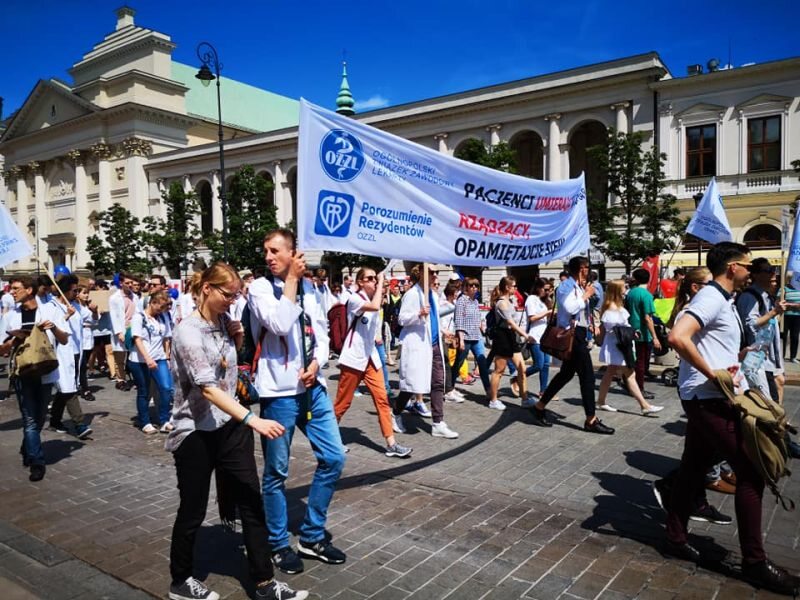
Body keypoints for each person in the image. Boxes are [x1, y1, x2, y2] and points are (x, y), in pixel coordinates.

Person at [166, 262, 307, 600]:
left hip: (229, 427)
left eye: (236, 295)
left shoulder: (223, 325)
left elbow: (229, 370)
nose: (233, 301)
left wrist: (238, 339)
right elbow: (209, 388)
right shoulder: (188, 331)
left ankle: (264, 583)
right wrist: (252, 419)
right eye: (227, 295)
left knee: (250, 501)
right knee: (193, 510)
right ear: (206, 289)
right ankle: (181, 581)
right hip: (195, 431)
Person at [664, 242, 799, 596]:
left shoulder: (721, 299)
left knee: (694, 467)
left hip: (710, 397)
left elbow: (707, 340)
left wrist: (734, 357)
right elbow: (677, 337)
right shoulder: (711, 296)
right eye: (747, 265)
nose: (751, 271)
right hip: (708, 399)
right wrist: (712, 373)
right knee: (752, 472)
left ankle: (676, 536)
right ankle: (755, 562)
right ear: (733, 267)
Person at [249, 229, 347, 575]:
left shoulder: (310, 288)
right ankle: (277, 543)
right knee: (277, 472)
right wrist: (291, 279)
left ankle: (311, 534)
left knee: (334, 457)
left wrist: (317, 363)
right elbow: (278, 323)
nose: (268, 257)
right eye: (266, 251)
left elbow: (321, 336)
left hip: (313, 388)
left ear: (293, 252)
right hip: (278, 393)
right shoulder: (260, 288)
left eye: (275, 250)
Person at [530, 256, 614, 434]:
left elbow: (584, 307)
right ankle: (591, 419)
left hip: (580, 333)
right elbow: (569, 308)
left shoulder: (577, 285)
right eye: (587, 267)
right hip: (572, 336)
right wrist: (586, 295)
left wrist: (589, 299)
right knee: (588, 377)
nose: (589, 270)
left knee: (566, 374)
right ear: (581, 268)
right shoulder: (567, 286)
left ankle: (539, 407)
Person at [333, 268, 412, 458]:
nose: (374, 281)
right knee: (343, 403)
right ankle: (330, 438)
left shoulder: (375, 299)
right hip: (353, 358)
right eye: (370, 278)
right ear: (360, 282)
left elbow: (374, 320)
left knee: (382, 399)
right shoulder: (354, 299)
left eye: (374, 278)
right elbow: (375, 306)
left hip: (370, 358)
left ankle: (391, 443)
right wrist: (382, 279)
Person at [0, 276, 69, 482]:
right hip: (23, 372)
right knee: (30, 420)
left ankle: (28, 444)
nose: (12, 292)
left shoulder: (49, 310)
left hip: (45, 370)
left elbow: (64, 339)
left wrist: (53, 328)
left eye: (16, 288)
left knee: (39, 418)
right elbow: (2, 350)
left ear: (29, 290)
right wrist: (12, 340)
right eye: (12, 289)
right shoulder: (11, 316)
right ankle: (36, 461)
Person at [394, 265, 458, 439]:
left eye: (436, 272)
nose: (435, 275)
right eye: (431, 272)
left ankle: (438, 423)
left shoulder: (434, 295)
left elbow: (434, 319)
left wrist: (444, 332)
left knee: (438, 382)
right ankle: (396, 412)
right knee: (412, 384)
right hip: (418, 345)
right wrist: (419, 313)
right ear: (421, 273)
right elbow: (402, 318)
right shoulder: (412, 294)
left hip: (435, 344)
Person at [595, 280, 664, 415]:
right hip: (618, 346)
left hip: (620, 345)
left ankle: (601, 401)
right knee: (630, 375)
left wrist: (631, 331)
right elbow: (612, 328)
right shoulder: (611, 309)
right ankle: (644, 405)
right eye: (623, 287)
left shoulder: (616, 307)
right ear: (617, 290)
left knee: (610, 373)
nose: (626, 289)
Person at [48, 275, 93, 439]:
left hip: (76, 352)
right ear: (65, 290)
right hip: (60, 352)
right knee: (69, 387)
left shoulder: (76, 306)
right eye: (74, 291)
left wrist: (94, 312)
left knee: (65, 386)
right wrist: (65, 316)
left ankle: (54, 420)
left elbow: (91, 319)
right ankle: (79, 424)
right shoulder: (50, 307)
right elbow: (50, 329)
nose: (77, 293)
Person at [128, 290, 175, 434]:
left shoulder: (163, 317)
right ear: (152, 302)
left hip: (159, 357)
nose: (162, 310)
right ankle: (145, 421)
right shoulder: (139, 317)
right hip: (140, 360)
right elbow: (137, 339)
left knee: (166, 388)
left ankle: (164, 420)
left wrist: (167, 356)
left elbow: (166, 337)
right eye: (160, 307)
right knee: (144, 391)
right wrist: (147, 358)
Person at [487, 276, 531, 410]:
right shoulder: (502, 303)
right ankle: (493, 400)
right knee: (499, 370)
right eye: (514, 286)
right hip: (503, 337)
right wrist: (524, 334)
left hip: (511, 336)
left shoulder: (510, 301)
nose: (515, 288)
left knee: (522, 368)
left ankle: (525, 398)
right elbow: (510, 322)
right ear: (507, 287)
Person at [624, 268, 661, 399]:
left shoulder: (631, 293)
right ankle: (639, 388)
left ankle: (629, 383)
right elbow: (648, 318)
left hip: (631, 329)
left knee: (634, 360)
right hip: (643, 333)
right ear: (649, 279)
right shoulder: (646, 295)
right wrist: (655, 337)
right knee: (641, 362)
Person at [452, 277, 491, 394]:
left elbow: (478, 317)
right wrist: (461, 339)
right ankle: (449, 388)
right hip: (466, 337)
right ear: (466, 287)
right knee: (458, 363)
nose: (474, 288)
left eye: (476, 286)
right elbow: (458, 320)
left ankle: (488, 390)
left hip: (476, 336)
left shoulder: (475, 301)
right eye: (471, 286)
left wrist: (481, 325)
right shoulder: (462, 300)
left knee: (482, 363)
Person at [523, 278, 553, 405]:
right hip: (535, 336)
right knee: (538, 365)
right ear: (538, 288)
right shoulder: (531, 299)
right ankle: (519, 377)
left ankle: (543, 390)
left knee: (546, 365)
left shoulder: (544, 300)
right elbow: (532, 318)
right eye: (545, 289)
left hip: (545, 336)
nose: (546, 292)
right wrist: (548, 312)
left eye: (548, 290)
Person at [109, 272, 137, 390]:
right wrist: (119, 332)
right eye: (127, 283)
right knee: (120, 357)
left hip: (133, 329)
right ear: (121, 283)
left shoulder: (135, 296)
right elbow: (114, 316)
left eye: (131, 283)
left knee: (133, 356)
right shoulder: (114, 298)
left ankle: (135, 378)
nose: (130, 285)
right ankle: (121, 379)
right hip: (122, 329)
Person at [782, 274, 800, 363]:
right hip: (785, 316)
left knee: (795, 336)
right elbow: (779, 301)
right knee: (783, 336)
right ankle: (781, 355)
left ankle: (793, 357)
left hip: (797, 316)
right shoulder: (784, 288)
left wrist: (790, 304)